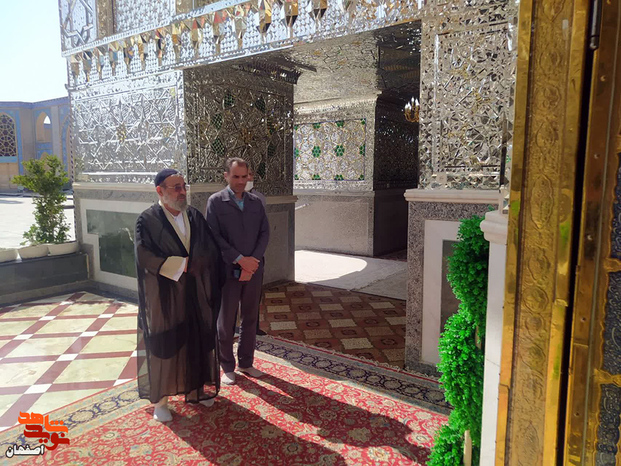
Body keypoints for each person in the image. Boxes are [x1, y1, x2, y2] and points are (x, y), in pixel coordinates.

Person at [134, 168, 222, 422]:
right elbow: (144, 255)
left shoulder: (193, 215)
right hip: (165, 294)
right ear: (160, 191)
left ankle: (197, 390)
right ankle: (161, 401)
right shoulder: (147, 220)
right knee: (165, 343)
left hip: (195, 290)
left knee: (197, 338)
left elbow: (209, 247)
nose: (182, 192)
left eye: (184, 187)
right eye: (176, 188)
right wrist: (181, 265)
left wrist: (198, 264)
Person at [205, 158, 270, 385]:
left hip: (254, 270)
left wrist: (253, 262)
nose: (241, 181)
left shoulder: (256, 202)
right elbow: (214, 236)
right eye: (236, 177)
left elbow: (264, 233)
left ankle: (246, 362)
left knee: (250, 317)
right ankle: (227, 366)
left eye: (244, 177)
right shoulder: (216, 202)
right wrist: (240, 260)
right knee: (226, 321)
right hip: (227, 271)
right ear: (226, 176)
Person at [245, 167, 267, 336]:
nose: (247, 179)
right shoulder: (222, 199)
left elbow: (262, 228)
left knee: (254, 293)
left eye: (250, 175)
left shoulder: (260, 198)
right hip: (234, 256)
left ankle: (253, 326)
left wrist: (256, 254)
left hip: (255, 255)